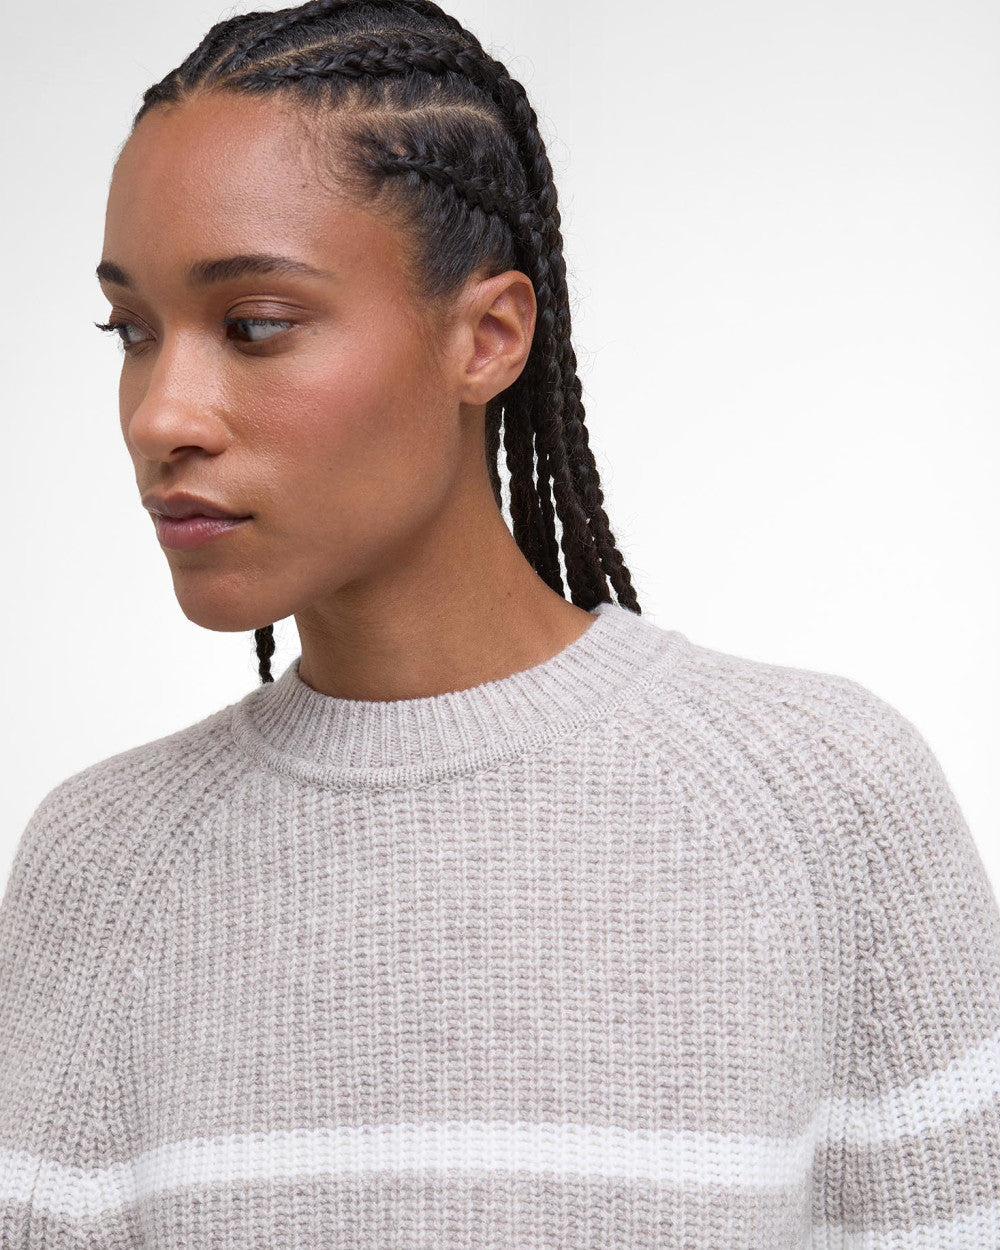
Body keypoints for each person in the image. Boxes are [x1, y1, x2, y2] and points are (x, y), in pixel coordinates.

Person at [2, 1, 999, 1246]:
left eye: (253, 326)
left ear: (486, 336)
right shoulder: (102, 872)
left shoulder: (820, 806)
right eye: (133, 333)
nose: (160, 414)